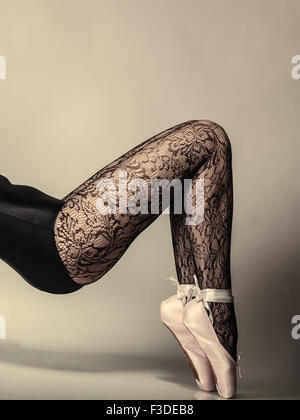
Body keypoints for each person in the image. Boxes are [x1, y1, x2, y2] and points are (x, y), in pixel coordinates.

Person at [0, 119, 238, 398]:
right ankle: (216, 315)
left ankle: (190, 300)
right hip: (64, 235)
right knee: (208, 139)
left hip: (57, 237)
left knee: (184, 174)